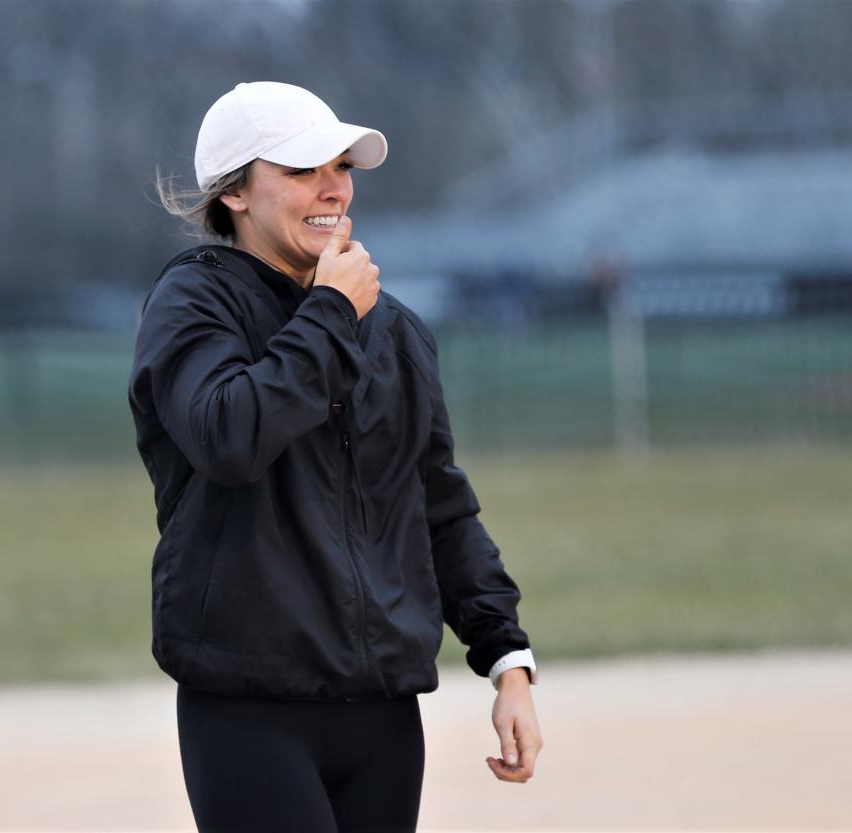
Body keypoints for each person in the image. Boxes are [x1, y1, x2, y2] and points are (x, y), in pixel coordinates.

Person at [128, 81, 543, 833]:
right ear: (235, 194)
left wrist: (506, 657)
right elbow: (230, 435)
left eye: (341, 165)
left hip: (382, 714)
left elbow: (438, 504)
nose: (333, 187)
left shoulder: (396, 329)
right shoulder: (193, 302)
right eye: (299, 169)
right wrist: (331, 312)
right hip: (248, 709)